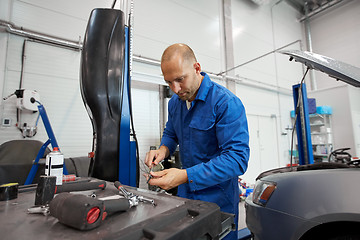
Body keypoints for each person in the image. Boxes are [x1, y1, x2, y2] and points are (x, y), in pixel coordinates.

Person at [145, 43, 250, 240]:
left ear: (196, 68)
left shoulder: (226, 103)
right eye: (169, 82)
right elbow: (171, 133)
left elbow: (237, 159)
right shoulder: (175, 103)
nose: (175, 89)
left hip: (218, 200)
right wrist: (163, 150)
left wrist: (184, 175)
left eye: (179, 79)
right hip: (186, 196)